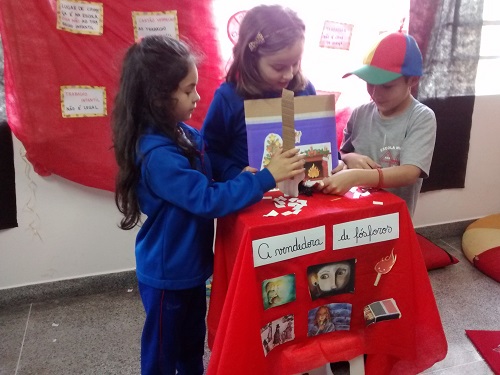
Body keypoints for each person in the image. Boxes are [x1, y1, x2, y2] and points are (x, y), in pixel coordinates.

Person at [111, 35, 305, 375]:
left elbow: (204, 184)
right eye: (188, 90)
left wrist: (240, 178)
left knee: (190, 342)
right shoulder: (158, 156)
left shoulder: (180, 133)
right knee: (161, 351)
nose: (197, 97)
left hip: (189, 268)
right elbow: (206, 200)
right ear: (157, 97)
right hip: (167, 273)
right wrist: (264, 178)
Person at [318, 31, 436, 217]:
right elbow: (341, 153)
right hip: (351, 214)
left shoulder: (421, 117)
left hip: (392, 222)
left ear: (412, 81)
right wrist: (349, 158)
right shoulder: (359, 113)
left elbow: (410, 172)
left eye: (386, 86)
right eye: (369, 83)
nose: (375, 93)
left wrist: (356, 176)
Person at [201, 4, 316, 182]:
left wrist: (337, 160)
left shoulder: (304, 89)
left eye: (295, 63)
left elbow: (319, 140)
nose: (289, 74)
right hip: (252, 197)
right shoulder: (229, 98)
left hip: (305, 193)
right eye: (278, 67)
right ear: (251, 60)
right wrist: (234, 173)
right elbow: (208, 152)